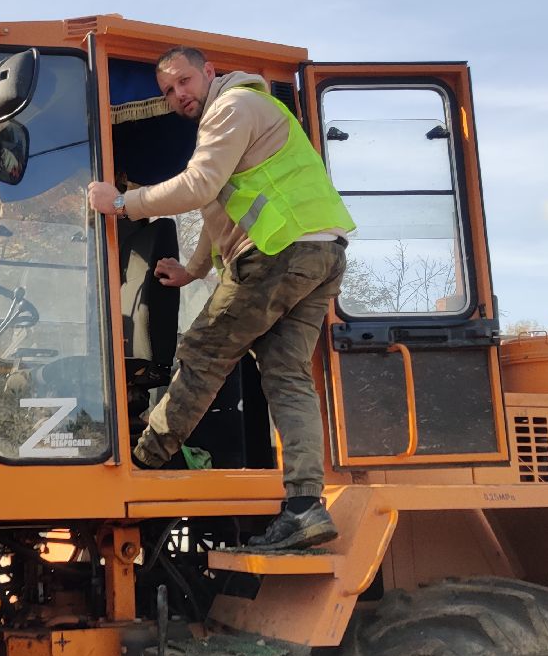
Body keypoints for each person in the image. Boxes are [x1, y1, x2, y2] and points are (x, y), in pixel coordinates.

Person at [87, 46, 355, 551]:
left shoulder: (231, 108)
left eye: (183, 82)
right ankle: (304, 506)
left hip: (278, 252)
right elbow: (220, 200)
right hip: (321, 253)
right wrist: (194, 269)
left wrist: (121, 203)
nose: (177, 96)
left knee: (203, 351)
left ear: (209, 72)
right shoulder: (247, 113)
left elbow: (198, 185)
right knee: (286, 375)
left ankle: (142, 462)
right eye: (167, 91)